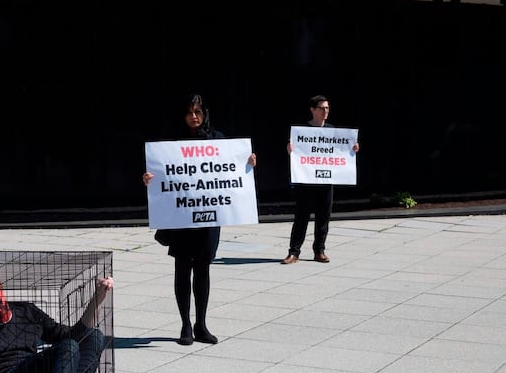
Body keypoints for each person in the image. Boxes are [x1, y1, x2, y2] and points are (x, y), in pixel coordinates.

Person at [142, 93, 257, 346]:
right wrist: (149, 180)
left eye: (198, 112)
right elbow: (162, 174)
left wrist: (247, 163)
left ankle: (201, 324)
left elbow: (232, 170)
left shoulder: (218, 140)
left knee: (203, 269)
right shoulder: (172, 143)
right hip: (182, 217)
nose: (194, 117)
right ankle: (185, 324)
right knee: (182, 268)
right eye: (189, 112)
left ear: (205, 114)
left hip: (208, 218)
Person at [282, 94, 359, 264]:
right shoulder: (302, 130)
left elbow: (341, 152)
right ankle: (294, 252)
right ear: (312, 110)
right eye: (322, 108)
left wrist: (352, 148)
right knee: (301, 218)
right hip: (306, 181)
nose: (325, 111)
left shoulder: (333, 131)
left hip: (326, 182)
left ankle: (319, 251)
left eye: (327, 108)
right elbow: (297, 153)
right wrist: (291, 149)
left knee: (323, 218)